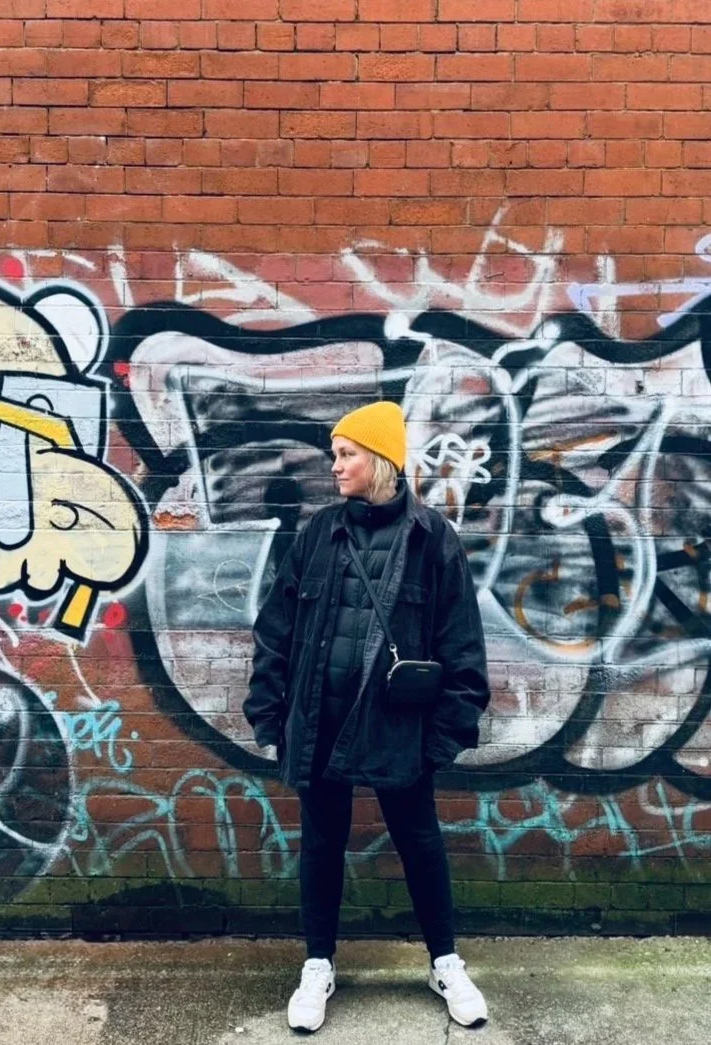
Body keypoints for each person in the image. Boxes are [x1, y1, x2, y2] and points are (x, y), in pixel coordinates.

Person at [244, 400, 491, 1033]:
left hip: (398, 730)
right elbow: (276, 632)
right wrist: (271, 716)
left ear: (380, 458)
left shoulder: (432, 539)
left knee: (420, 841)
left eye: (347, 454)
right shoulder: (318, 533)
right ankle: (318, 965)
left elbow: (461, 646)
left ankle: (446, 961)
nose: (336, 466)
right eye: (334, 454)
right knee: (323, 844)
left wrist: (440, 741)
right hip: (320, 722)